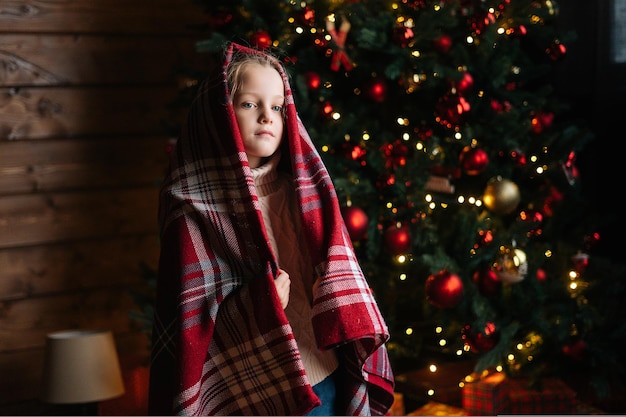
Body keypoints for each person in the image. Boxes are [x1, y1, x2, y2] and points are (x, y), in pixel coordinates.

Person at [148, 41, 394, 416]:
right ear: (219, 114)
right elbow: (190, 319)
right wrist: (258, 305)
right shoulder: (192, 208)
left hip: (322, 366)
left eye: (277, 107)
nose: (267, 116)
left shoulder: (306, 191)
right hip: (248, 384)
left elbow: (333, 258)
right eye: (250, 104)